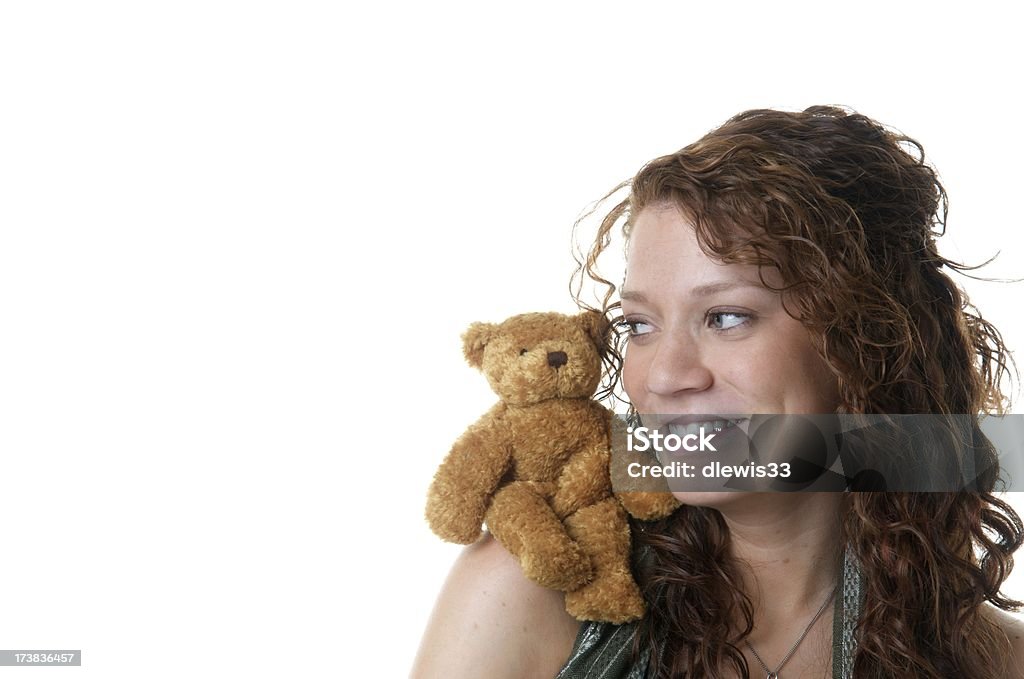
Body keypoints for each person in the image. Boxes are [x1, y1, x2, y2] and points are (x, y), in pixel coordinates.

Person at [411, 106, 1024, 678]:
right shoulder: (529, 590)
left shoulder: (996, 657)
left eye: (726, 317)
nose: (663, 375)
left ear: (865, 341)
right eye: (640, 325)